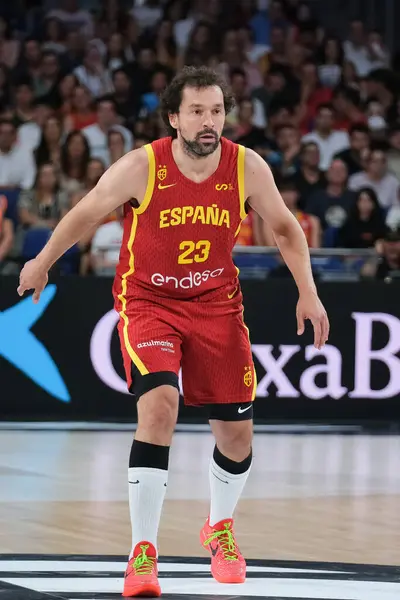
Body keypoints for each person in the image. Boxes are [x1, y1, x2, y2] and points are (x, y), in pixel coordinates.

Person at [17, 66, 329, 598]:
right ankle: (143, 552)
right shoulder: (144, 165)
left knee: (237, 435)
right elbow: (87, 212)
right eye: (197, 112)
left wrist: (309, 291)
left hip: (216, 304)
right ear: (173, 118)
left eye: (217, 111)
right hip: (149, 301)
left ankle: (219, 527)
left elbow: (284, 228)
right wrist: (44, 261)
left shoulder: (246, 167)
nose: (209, 122)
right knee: (160, 404)